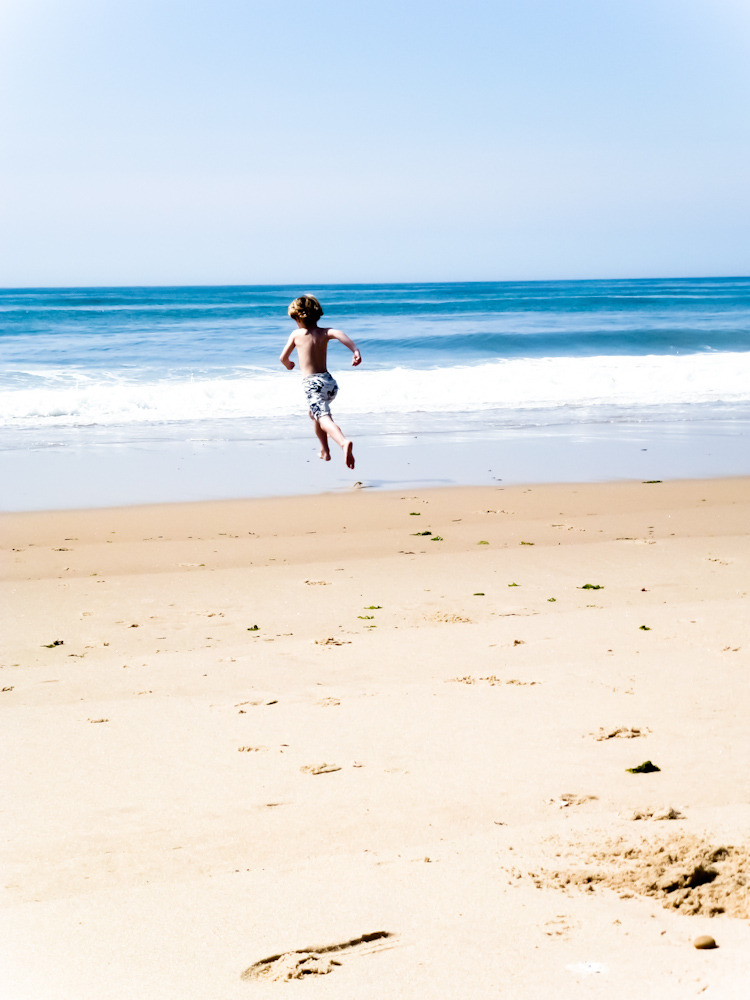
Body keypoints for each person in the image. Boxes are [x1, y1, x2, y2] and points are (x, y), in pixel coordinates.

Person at [280, 295, 361, 469]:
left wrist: (288, 364)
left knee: (323, 418)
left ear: (298, 318)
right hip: (329, 383)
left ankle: (343, 442)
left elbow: (283, 358)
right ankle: (325, 450)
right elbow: (339, 334)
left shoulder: (296, 334)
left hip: (312, 385)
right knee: (314, 414)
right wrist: (355, 350)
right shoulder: (325, 332)